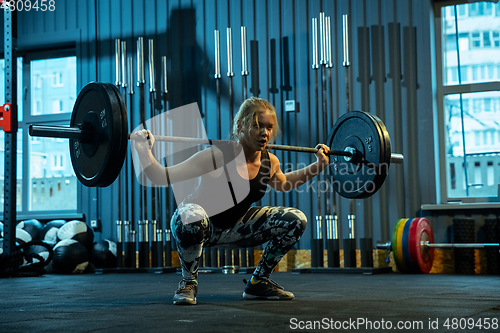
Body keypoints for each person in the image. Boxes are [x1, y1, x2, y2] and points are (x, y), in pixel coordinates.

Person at [131, 97, 330, 305]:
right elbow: (161, 176)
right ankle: (188, 282)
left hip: (235, 228)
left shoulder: (269, 162)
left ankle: (258, 282)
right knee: (189, 215)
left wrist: (317, 166)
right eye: (257, 126)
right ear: (240, 125)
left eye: (269, 127)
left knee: (296, 219)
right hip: (200, 225)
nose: (265, 133)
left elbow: (284, 183)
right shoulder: (218, 156)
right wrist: (144, 151)